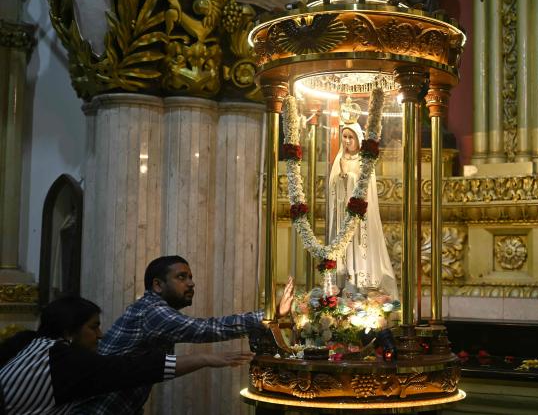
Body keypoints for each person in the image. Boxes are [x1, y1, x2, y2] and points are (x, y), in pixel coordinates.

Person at [70, 255, 295, 414]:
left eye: (190, 277)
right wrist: (268, 314)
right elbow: (205, 329)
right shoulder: (152, 311)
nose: (191, 283)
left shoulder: (152, 308)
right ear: (157, 285)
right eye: (182, 277)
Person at [0, 296, 252, 415]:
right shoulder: (64, 359)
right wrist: (204, 359)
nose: (100, 335)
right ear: (69, 331)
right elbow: (130, 369)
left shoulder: (31, 342)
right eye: (93, 327)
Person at [327, 122, 398, 300]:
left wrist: (349, 177)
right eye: (345, 137)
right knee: (343, 250)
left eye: (351, 137)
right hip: (343, 215)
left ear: (358, 139)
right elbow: (332, 187)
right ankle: (343, 284)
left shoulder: (363, 161)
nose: (347, 141)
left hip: (359, 216)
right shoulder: (339, 159)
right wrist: (340, 178)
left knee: (358, 249)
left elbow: (365, 188)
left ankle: (360, 284)